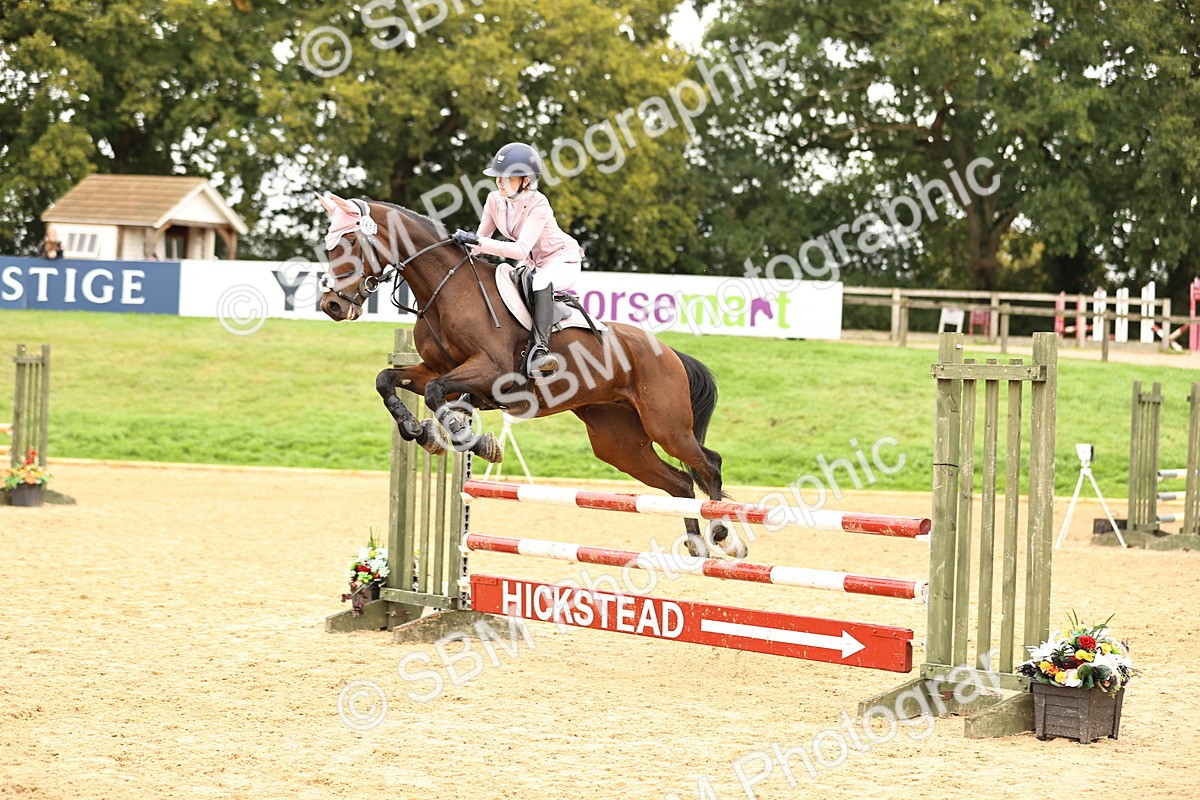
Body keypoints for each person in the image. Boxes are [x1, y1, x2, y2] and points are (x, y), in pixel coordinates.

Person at [451, 142, 584, 377]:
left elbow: (521, 250)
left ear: (526, 180)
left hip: (561, 261)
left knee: (540, 282)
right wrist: (457, 249)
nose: (499, 182)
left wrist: (477, 241)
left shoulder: (539, 203)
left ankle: (541, 351)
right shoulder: (494, 200)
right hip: (532, 264)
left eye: (507, 177)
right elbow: (481, 240)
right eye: (498, 177)